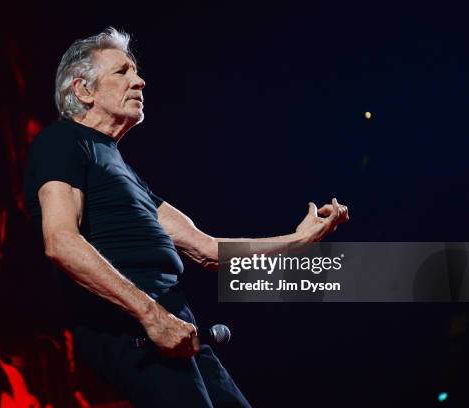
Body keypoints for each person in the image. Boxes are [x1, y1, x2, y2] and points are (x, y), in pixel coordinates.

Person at [23, 27, 349, 408]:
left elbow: (209, 251)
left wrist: (301, 240)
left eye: (136, 71)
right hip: (130, 326)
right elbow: (61, 241)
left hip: (175, 322)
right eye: (122, 72)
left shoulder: (122, 169)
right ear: (83, 90)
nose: (140, 80)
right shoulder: (62, 142)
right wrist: (151, 315)